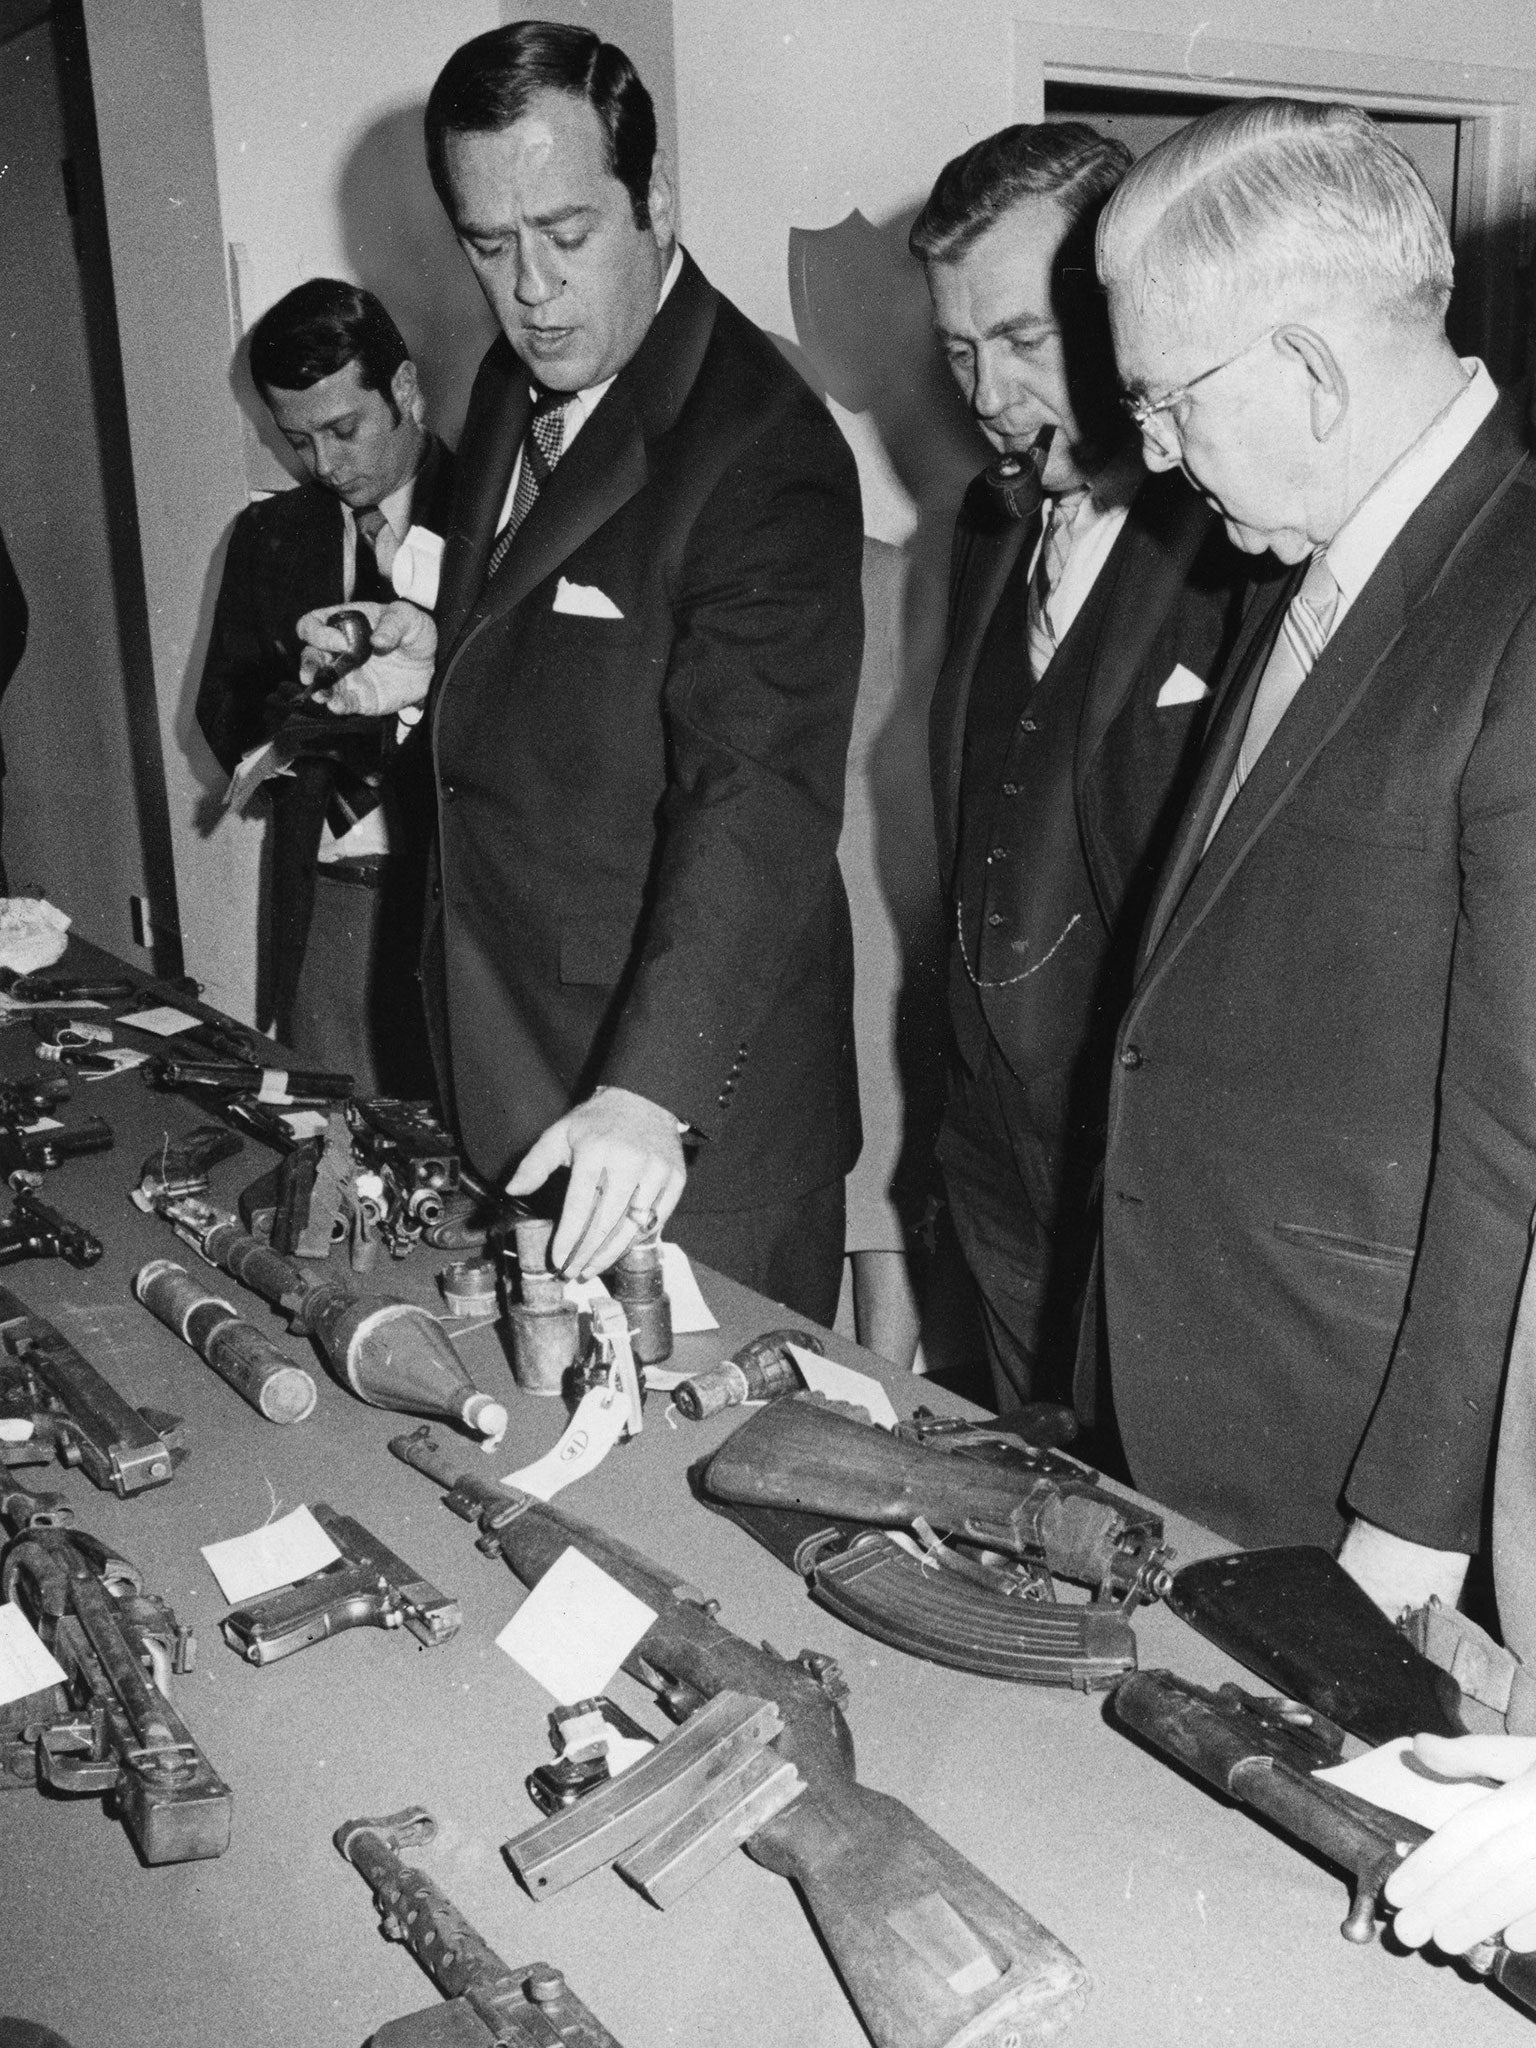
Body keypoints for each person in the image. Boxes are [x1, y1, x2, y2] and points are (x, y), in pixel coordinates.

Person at [301, 22, 863, 1317]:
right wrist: (433, 658)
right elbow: (554, 629)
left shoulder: (762, 449)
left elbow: (758, 795)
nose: (532, 290)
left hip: (679, 1121)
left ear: (655, 199)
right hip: (509, 1061)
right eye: (490, 248)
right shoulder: (512, 382)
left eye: (567, 233)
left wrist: (650, 1091)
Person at [1094, 97, 1536, 1606]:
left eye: (1165, 403)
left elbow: (1515, 1137)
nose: (1149, 456)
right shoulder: (1328, 554)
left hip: (1363, 1477)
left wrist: (1416, 1520)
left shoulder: (1521, 596)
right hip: (1213, 1407)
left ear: (1309, 372)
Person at [911, 122, 1252, 1412]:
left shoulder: (1238, 542)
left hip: (1154, 1179)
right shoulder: (987, 524)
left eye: (1020, 341)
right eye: (958, 351)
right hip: (995, 1155)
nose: (988, 396)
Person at [197, 280, 453, 1093]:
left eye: (344, 429)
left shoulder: (504, 513)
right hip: (334, 896)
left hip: (459, 899)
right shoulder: (269, 537)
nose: (326, 466)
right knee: (338, 1143)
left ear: (403, 391)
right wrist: (303, 715)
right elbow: (223, 710)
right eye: (297, 440)